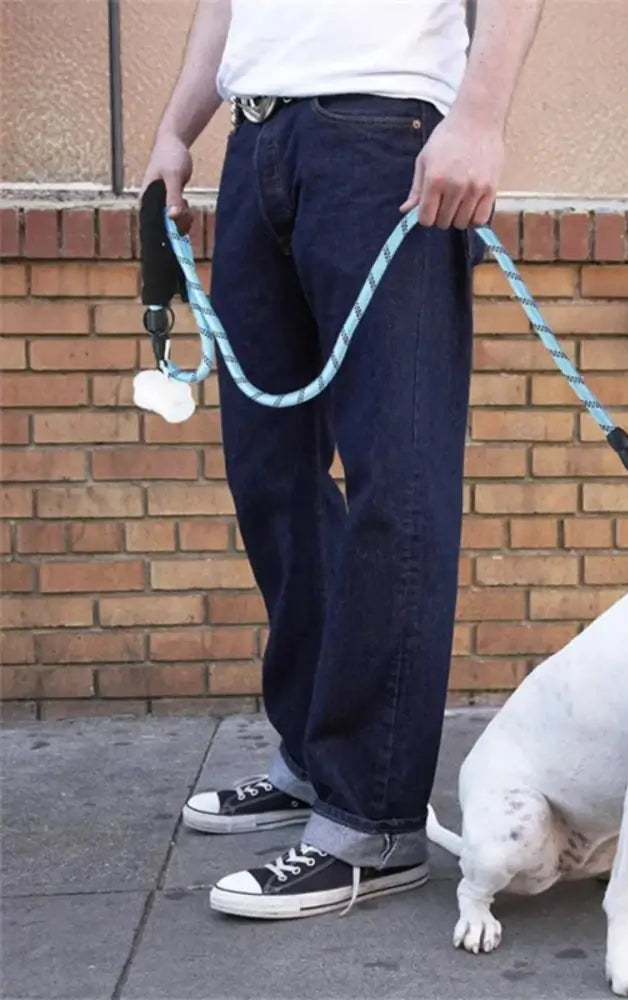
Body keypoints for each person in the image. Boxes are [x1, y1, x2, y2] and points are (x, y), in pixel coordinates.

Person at [140, 0, 543, 920]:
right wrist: (174, 129)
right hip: (258, 140)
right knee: (270, 476)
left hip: (386, 140)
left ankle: (374, 820)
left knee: (395, 486)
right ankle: (315, 761)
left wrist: (477, 117)